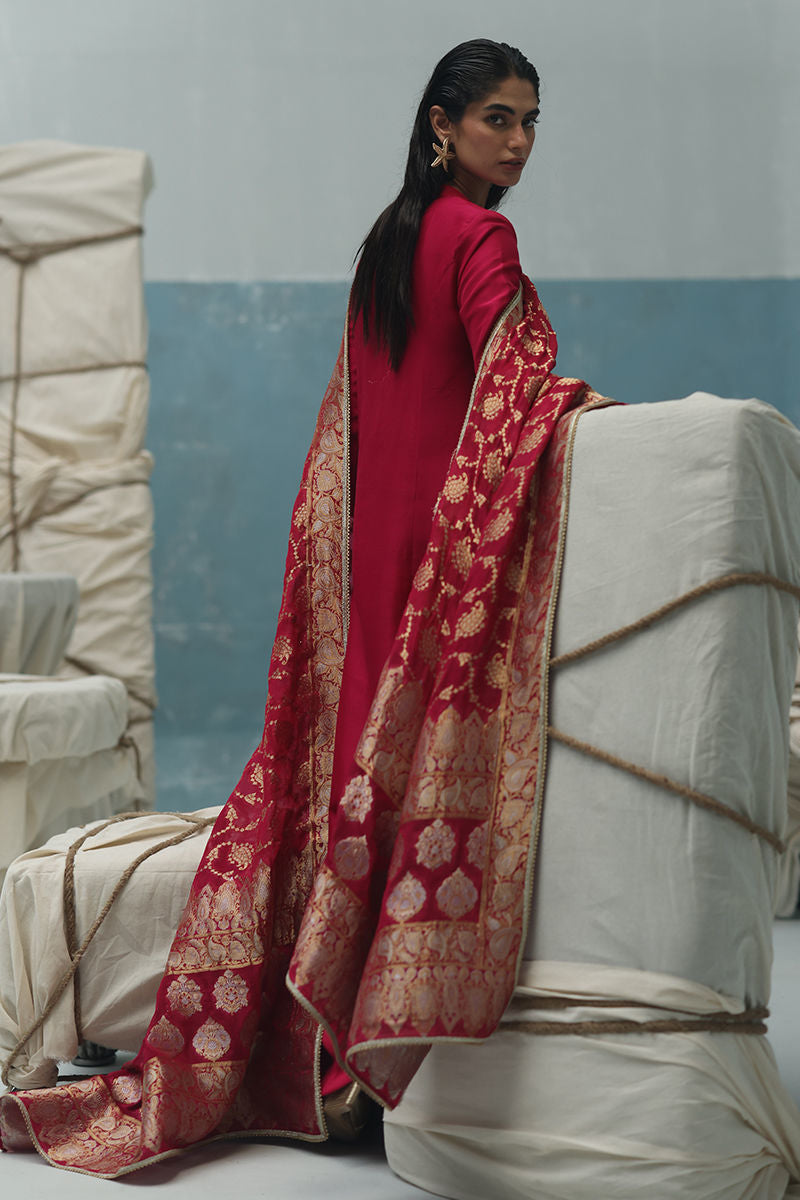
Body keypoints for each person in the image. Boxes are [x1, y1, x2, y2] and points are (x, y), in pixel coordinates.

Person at [0, 39, 598, 1176]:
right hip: (433, 562)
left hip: (367, 559)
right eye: (497, 121)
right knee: (405, 793)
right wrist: (575, 401)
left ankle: (327, 1064)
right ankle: (349, 1070)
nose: (517, 144)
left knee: (350, 800)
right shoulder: (479, 234)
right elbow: (508, 378)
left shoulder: (388, 237)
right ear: (441, 124)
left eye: (530, 122)